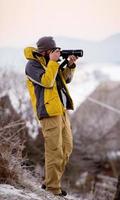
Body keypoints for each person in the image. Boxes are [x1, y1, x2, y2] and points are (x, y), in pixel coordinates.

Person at [24, 36, 78, 196]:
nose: (55, 53)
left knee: (66, 148)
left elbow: (65, 80)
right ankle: (53, 189)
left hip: (61, 110)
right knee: (54, 151)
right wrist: (53, 62)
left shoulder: (50, 63)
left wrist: (70, 65)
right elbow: (46, 82)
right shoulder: (32, 65)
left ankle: (50, 182)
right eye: (52, 50)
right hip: (47, 112)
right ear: (46, 51)